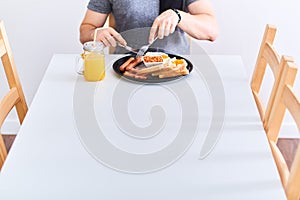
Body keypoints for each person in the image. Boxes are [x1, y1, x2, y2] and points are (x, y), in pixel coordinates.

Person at [80, 0, 218, 54]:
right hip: (126, 71)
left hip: (175, 69)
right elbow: (85, 31)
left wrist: (179, 16)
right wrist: (95, 34)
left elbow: (211, 31)